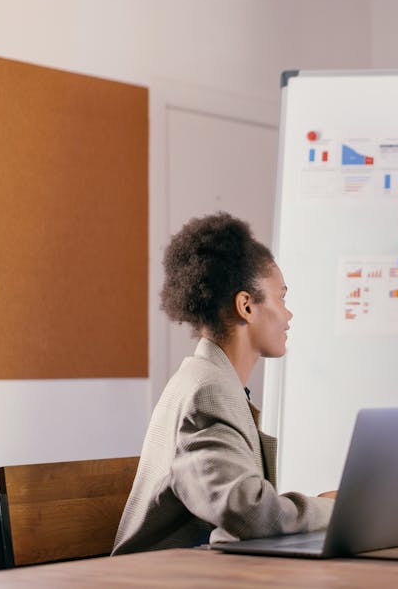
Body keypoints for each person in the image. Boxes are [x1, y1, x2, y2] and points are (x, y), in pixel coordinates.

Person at [113, 212, 334, 555]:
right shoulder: (207, 391)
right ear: (246, 306)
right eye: (282, 298)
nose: (288, 314)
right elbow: (252, 515)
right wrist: (333, 507)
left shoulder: (209, 379)